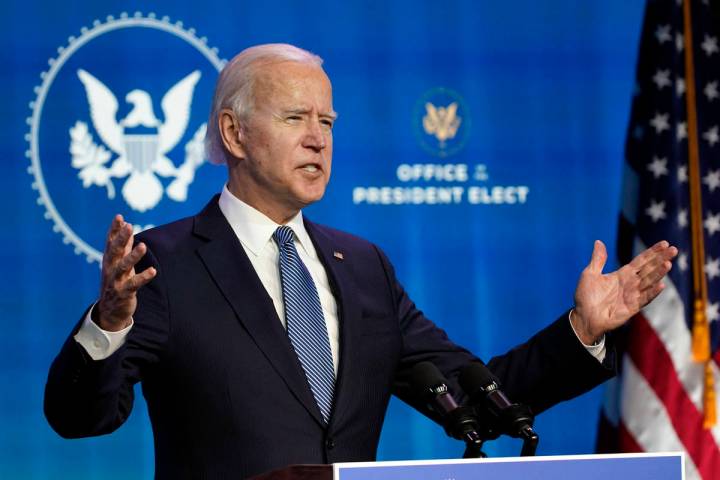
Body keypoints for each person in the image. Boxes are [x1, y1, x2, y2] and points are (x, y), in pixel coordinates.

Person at [44, 44, 677, 479]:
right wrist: (109, 320)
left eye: (327, 120)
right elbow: (80, 417)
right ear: (234, 134)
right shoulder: (168, 263)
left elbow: (474, 401)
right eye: (295, 118)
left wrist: (585, 330)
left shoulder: (362, 267)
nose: (319, 137)